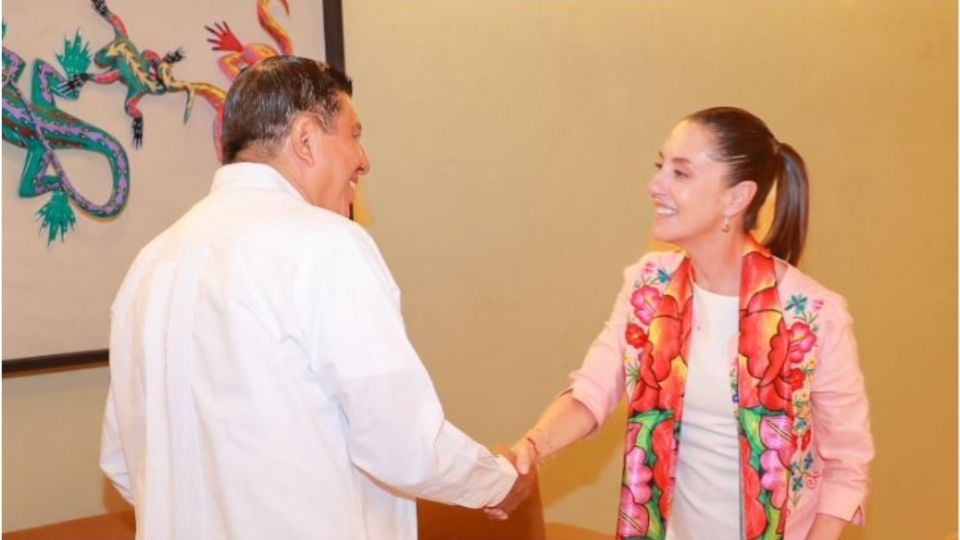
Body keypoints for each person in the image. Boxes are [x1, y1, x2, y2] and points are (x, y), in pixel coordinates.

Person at [100, 55, 533, 540]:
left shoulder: (149, 265)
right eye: (354, 135)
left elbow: (123, 464)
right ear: (306, 138)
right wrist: (497, 483)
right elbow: (401, 441)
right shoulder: (325, 244)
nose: (363, 160)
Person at [500, 107, 873, 540]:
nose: (655, 185)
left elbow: (847, 465)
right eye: (660, 166)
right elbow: (592, 391)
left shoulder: (812, 314)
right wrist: (529, 450)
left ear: (736, 198)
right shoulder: (649, 286)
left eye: (680, 173)